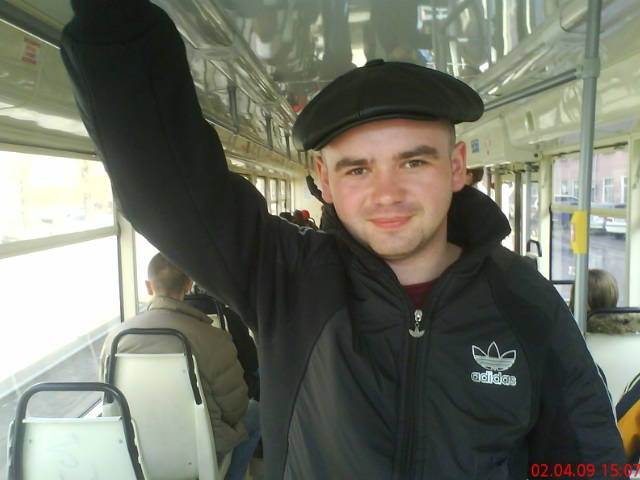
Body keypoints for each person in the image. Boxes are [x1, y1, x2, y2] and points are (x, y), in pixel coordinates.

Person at [62, 2, 626, 477]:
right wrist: (114, 20)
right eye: (358, 169)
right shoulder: (286, 278)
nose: (387, 194)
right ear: (325, 182)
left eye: (413, 162)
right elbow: (167, 182)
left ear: (456, 167)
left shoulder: (525, 301)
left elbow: (582, 458)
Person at [100, 253, 260, 480]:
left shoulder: (115, 340)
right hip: (200, 454)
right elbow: (235, 408)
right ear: (188, 284)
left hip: (133, 453)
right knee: (255, 414)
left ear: (148, 286)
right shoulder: (213, 337)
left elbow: (109, 400)